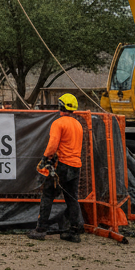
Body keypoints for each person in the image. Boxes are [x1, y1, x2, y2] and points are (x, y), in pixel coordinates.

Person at [28, 92, 84, 243]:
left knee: (47, 195)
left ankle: (40, 230)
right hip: (75, 166)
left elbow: (53, 144)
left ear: (61, 106)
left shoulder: (58, 123)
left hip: (62, 166)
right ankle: (74, 231)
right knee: (72, 198)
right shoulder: (78, 124)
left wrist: (46, 158)